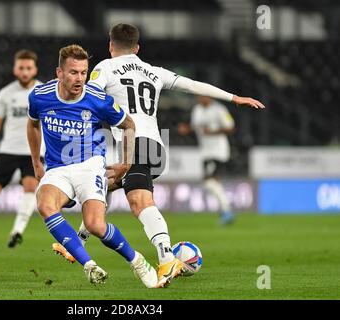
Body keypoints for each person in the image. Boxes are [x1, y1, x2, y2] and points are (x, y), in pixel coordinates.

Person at [53, 23, 265, 287]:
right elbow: (192, 85)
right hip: (155, 145)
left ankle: (166, 259)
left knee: (140, 202)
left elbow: (88, 95)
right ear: (137, 48)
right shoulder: (154, 71)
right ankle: (77, 243)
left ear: (110, 45)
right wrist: (233, 97)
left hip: (135, 144)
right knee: (102, 183)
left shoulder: (104, 68)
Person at [27, 44, 159, 288]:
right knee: (45, 204)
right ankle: (89, 265)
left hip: (90, 165)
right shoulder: (39, 96)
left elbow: (129, 124)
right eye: (73, 72)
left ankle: (137, 260)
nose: (80, 79)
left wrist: (126, 163)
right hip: (57, 167)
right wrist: (36, 160)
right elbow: (33, 124)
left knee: (95, 225)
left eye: (84, 72)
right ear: (59, 73)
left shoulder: (98, 100)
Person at [0, 50, 44, 249]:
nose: (24, 71)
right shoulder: (5, 93)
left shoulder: (44, 92)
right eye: (21, 67)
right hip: (8, 150)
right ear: (15, 69)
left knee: (31, 188)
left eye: (28, 68)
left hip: (34, 152)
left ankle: (17, 231)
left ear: (35, 69)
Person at [178, 96, 236, 224]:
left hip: (218, 151)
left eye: (204, 95)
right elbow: (195, 127)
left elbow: (231, 128)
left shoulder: (219, 109)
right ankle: (225, 210)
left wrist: (213, 132)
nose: (201, 98)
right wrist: (186, 129)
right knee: (213, 182)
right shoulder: (197, 110)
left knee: (209, 181)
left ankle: (227, 211)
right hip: (205, 151)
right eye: (199, 95)